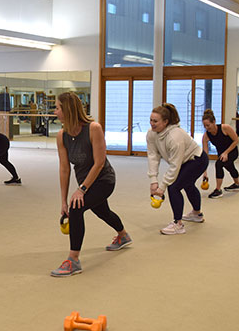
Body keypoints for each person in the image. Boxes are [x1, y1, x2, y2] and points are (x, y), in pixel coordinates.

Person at [50, 92, 131, 278]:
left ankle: (73, 260)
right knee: (102, 212)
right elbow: (64, 169)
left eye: (58, 108)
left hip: (104, 180)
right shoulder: (61, 136)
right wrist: (63, 201)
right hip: (85, 183)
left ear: (68, 109)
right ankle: (123, 235)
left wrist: (81, 190)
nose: (55, 112)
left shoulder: (93, 128)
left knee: (77, 208)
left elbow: (99, 163)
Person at [147, 103, 209, 235]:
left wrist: (162, 187)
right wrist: (153, 180)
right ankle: (197, 214)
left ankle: (178, 224)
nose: (152, 124)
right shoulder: (152, 134)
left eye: (155, 121)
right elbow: (153, 156)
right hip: (185, 161)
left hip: (197, 160)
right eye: (151, 120)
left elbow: (174, 166)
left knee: (173, 186)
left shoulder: (175, 137)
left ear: (165, 122)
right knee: (187, 184)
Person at [202, 109, 239, 199]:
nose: (207, 128)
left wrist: (226, 152)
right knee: (229, 166)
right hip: (222, 154)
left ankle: (218, 190)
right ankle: (237, 184)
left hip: (232, 151)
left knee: (219, 164)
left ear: (214, 122)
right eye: (205, 126)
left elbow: (236, 141)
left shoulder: (225, 128)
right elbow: (205, 154)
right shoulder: (206, 136)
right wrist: (204, 172)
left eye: (208, 125)